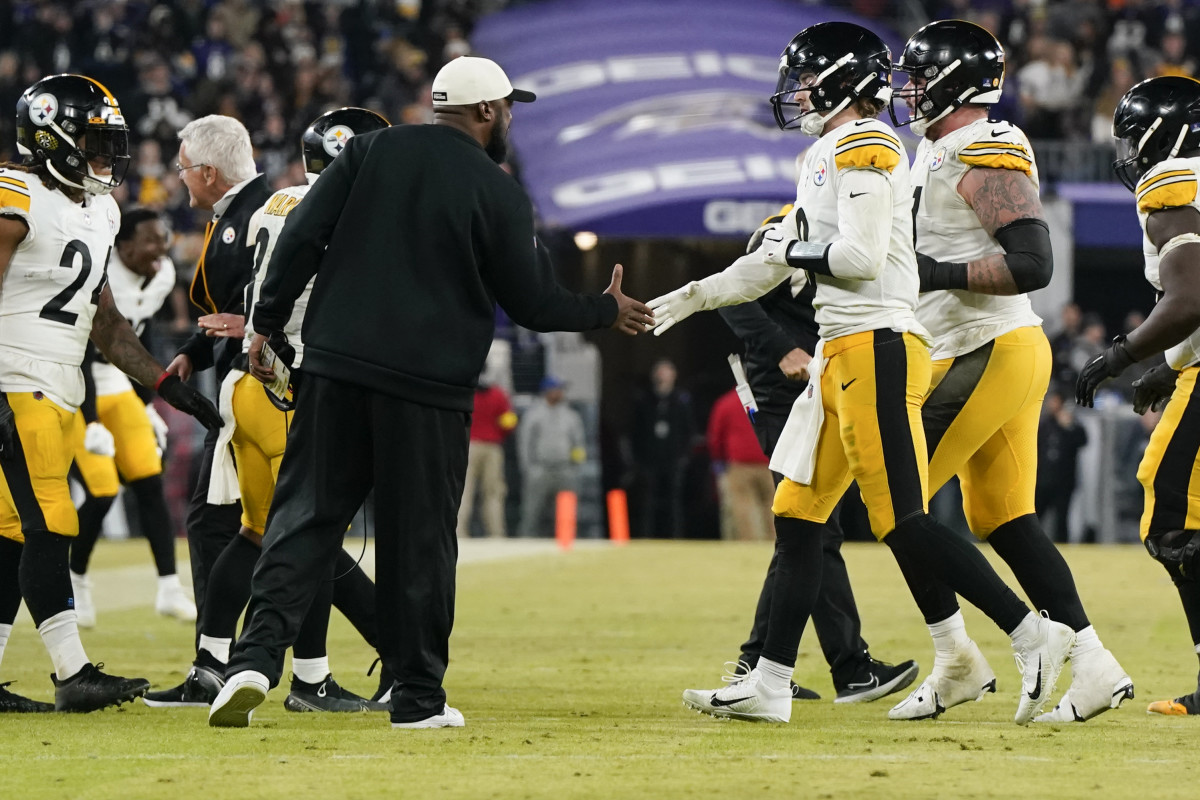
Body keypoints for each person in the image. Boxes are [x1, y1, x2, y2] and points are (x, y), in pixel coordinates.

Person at [207, 55, 651, 729]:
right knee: (419, 544)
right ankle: (417, 699)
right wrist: (603, 309)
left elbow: (302, 236)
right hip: (427, 389)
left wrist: (264, 322)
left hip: (336, 369)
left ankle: (254, 659)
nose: (510, 119)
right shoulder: (499, 191)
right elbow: (533, 303)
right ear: (486, 111)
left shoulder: (368, 152)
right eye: (507, 107)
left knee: (304, 520)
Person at [651, 22, 1073, 726]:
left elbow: (860, 257)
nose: (796, 93)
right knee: (797, 513)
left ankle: (1032, 632)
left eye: (806, 81)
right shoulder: (830, 149)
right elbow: (768, 264)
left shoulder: (867, 144)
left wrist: (794, 248)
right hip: (841, 346)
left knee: (899, 519)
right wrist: (694, 296)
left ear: (841, 81)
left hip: (877, 344)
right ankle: (770, 682)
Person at [888, 20, 1132, 723]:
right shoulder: (934, 150)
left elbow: (1033, 262)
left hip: (988, 347)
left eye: (921, 78)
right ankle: (1095, 664)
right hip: (977, 349)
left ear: (957, 82)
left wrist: (930, 271)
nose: (911, 90)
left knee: (895, 503)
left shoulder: (983, 146)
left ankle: (962, 657)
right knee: (1004, 519)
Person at [147, 108, 394, 714]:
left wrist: (241, 332)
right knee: (307, 538)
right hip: (292, 385)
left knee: (255, 534)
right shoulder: (353, 217)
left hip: (247, 386)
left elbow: (260, 292)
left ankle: (210, 662)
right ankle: (310, 678)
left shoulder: (275, 204)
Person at [0, 74, 221, 713]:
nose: (106, 157)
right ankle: (73, 674)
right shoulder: (15, 195)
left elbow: (106, 322)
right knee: (52, 521)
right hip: (14, 380)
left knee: (11, 532)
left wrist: (164, 384)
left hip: (58, 385)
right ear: (52, 140)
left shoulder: (102, 211)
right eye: (95, 143)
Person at [714, 208, 918, 703]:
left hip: (818, 394)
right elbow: (730, 296)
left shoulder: (852, 231)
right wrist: (783, 348)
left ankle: (756, 664)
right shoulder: (783, 226)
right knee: (813, 529)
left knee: (803, 531)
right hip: (783, 397)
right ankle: (850, 667)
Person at [1079, 75, 1200, 716]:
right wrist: (1172, 367)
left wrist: (1121, 355)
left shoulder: (1174, 184)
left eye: (1135, 138)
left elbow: (1190, 298)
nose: (1129, 153)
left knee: (1170, 517)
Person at [143, 115, 272, 706]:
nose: (179, 178)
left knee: (236, 525)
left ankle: (218, 664)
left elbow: (275, 301)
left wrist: (250, 326)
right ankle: (228, 663)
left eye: (184, 168)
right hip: (248, 383)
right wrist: (196, 352)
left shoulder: (255, 216)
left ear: (210, 172)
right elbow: (231, 309)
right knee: (265, 526)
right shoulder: (243, 211)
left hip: (261, 388)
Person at [67, 207, 196, 628]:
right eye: (150, 240)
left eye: (163, 239)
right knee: (102, 491)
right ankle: (76, 581)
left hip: (118, 384)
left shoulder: (162, 276)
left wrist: (146, 403)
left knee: (148, 480)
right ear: (122, 246)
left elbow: (139, 339)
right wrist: (90, 420)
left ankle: (169, 589)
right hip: (77, 385)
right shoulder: (100, 275)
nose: (160, 249)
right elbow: (82, 351)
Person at [630, 359, 694, 538]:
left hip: (674, 460)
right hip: (650, 461)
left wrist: (684, 457)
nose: (662, 377)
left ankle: (675, 536)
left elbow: (689, 431)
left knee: (674, 501)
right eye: (659, 373)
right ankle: (646, 536)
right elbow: (636, 432)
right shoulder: (644, 401)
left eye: (666, 373)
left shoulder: (681, 401)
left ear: (674, 376)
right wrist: (638, 459)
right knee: (648, 501)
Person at [517, 376, 585, 538]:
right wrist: (529, 468)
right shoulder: (534, 414)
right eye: (557, 389)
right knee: (532, 512)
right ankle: (526, 542)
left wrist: (576, 466)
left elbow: (578, 443)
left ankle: (566, 543)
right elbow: (525, 443)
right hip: (540, 468)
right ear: (547, 391)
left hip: (565, 468)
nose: (560, 393)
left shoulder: (571, 415)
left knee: (567, 512)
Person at [707, 386, 773, 542]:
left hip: (740, 465)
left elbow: (716, 436)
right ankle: (774, 546)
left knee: (744, 509)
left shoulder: (726, 403)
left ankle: (750, 546)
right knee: (773, 508)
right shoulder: (769, 400)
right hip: (770, 464)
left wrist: (719, 459)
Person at [458, 366, 517, 539]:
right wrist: (500, 433)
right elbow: (509, 423)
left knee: (464, 491)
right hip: (492, 447)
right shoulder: (498, 394)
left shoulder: (466, 393)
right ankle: (496, 533)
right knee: (493, 493)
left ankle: (459, 532)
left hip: (469, 446)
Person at [1036, 388, 1089, 543]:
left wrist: (1069, 426)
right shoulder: (1043, 424)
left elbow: (1083, 441)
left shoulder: (1070, 423)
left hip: (1064, 481)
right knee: (1036, 515)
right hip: (1042, 480)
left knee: (1062, 518)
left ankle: (1062, 544)